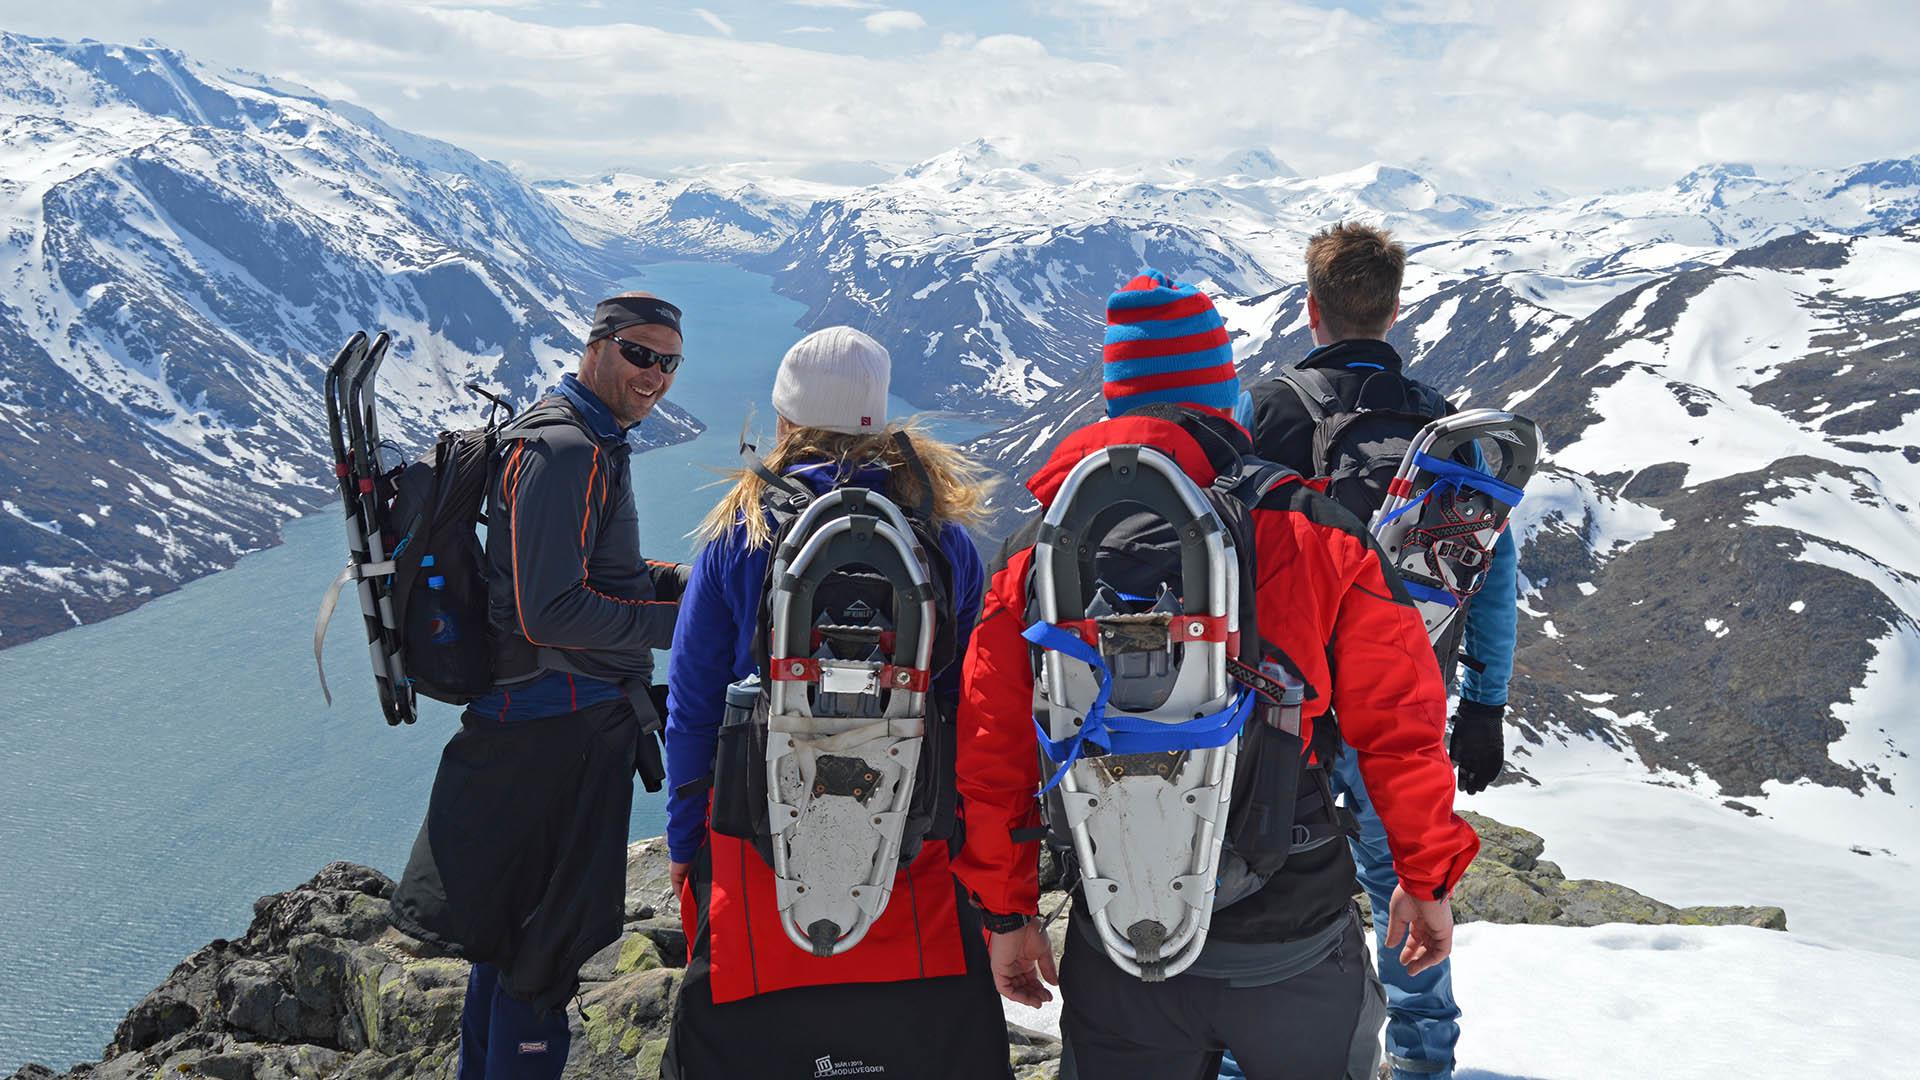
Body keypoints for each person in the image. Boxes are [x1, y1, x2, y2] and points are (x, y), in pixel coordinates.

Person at [957, 270, 1480, 1080]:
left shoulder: (1035, 555)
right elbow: (1399, 728)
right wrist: (1425, 875)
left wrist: (1008, 912)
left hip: (1122, 927)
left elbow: (993, 755)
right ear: (1221, 392)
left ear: (1113, 397)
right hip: (1292, 933)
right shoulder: (1315, 531)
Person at [659, 327, 1013, 1079]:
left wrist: (687, 842)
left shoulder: (739, 533)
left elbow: (693, 705)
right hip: (910, 837)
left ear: (786, 424)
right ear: (880, 423)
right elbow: (974, 708)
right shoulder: (942, 539)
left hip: (758, 833)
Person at [389, 293, 692, 1079]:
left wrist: (686, 584)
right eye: (640, 354)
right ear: (597, 346)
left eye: (669, 362)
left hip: (542, 724)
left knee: (511, 942)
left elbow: (588, 571)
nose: (654, 374)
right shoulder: (566, 451)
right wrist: (682, 628)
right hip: (557, 734)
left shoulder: (580, 435)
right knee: (543, 954)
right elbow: (550, 609)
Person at [1244, 222, 1522, 1080]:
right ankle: (1422, 1062)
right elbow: (1492, 566)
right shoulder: (1447, 425)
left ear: (1311, 306)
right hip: (1402, 699)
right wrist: (1483, 704)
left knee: (1257, 895)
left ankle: (1247, 1058)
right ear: (1395, 310)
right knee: (1407, 885)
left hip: (1285, 700)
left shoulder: (1273, 408)